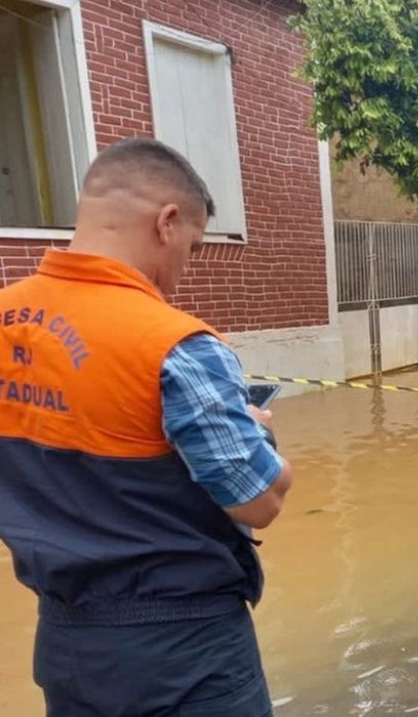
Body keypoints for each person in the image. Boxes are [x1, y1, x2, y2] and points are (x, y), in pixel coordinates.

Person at [0, 138, 293, 716]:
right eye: (194, 244)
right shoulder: (174, 344)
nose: (186, 270)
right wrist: (256, 430)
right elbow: (259, 500)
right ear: (167, 222)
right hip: (184, 653)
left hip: (66, 646)